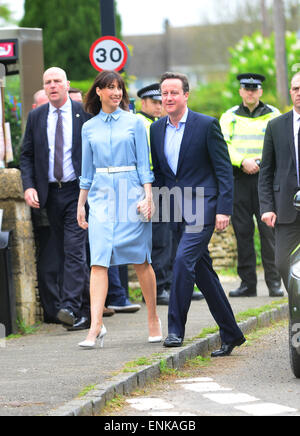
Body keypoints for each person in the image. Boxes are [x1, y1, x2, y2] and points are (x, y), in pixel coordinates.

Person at [150, 72, 245, 356]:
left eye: (173, 93)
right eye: (164, 93)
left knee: (181, 261)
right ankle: (231, 333)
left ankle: (175, 330)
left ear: (186, 95)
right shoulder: (156, 129)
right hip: (174, 208)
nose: (167, 98)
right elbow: (161, 174)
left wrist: (223, 209)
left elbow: (223, 170)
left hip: (203, 206)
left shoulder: (206, 125)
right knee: (203, 274)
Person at [77, 70, 161, 348]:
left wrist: (148, 198)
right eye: (110, 87)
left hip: (131, 192)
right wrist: (81, 204)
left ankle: (152, 319)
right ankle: (95, 326)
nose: (116, 92)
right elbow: (86, 171)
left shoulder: (135, 122)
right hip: (100, 197)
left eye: (119, 88)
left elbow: (144, 164)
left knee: (140, 259)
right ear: (98, 91)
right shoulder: (88, 128)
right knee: (98, 260)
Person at [20, 67, 91, 330]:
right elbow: (26, 155)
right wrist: (28, 186)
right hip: (51, 194)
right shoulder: (37, 116)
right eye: (47, 82)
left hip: (78, 191)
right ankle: (85, 313)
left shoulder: (82, 113)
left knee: (73, 249)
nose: (52, 86)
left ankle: (69, 306)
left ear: (67, 84)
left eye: (57, 81)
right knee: (66, 252)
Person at [220, 73, 284, 298]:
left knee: (269, 233)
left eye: (254, 88)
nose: (250, 92)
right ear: (240, 91)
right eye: (246, 88)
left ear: (260, 91)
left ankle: (274, 283)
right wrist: (242, 161)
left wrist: (260, 162)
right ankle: (248, 284)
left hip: (265, 180)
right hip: (239, 179)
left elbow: (281, 144)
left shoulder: (274, 115)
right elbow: (224, 145)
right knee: (243, 233)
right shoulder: (229, 117)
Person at [258, 71, 300, 290]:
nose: (299, 93)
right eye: (295, 89)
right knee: (282, 263)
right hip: (285, 208)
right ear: (290, 92)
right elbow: (266, 170)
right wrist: (267, 207)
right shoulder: (276, 126)